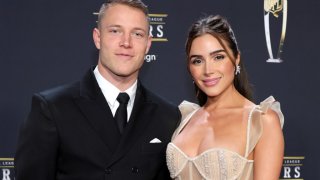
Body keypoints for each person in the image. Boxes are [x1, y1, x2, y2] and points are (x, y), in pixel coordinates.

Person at [14, 0, 181, 179]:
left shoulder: (167, 116)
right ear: (97, 38)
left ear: (148, 44)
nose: (126, 42)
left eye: (137, 34)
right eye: (115, 31)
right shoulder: (53, 109)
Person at [166, 15, 284, 180]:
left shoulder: (262, 121)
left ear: (236, 59)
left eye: (218, 57)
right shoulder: (184, 118)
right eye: (197, 61)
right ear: (189, 67)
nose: (208, 70)